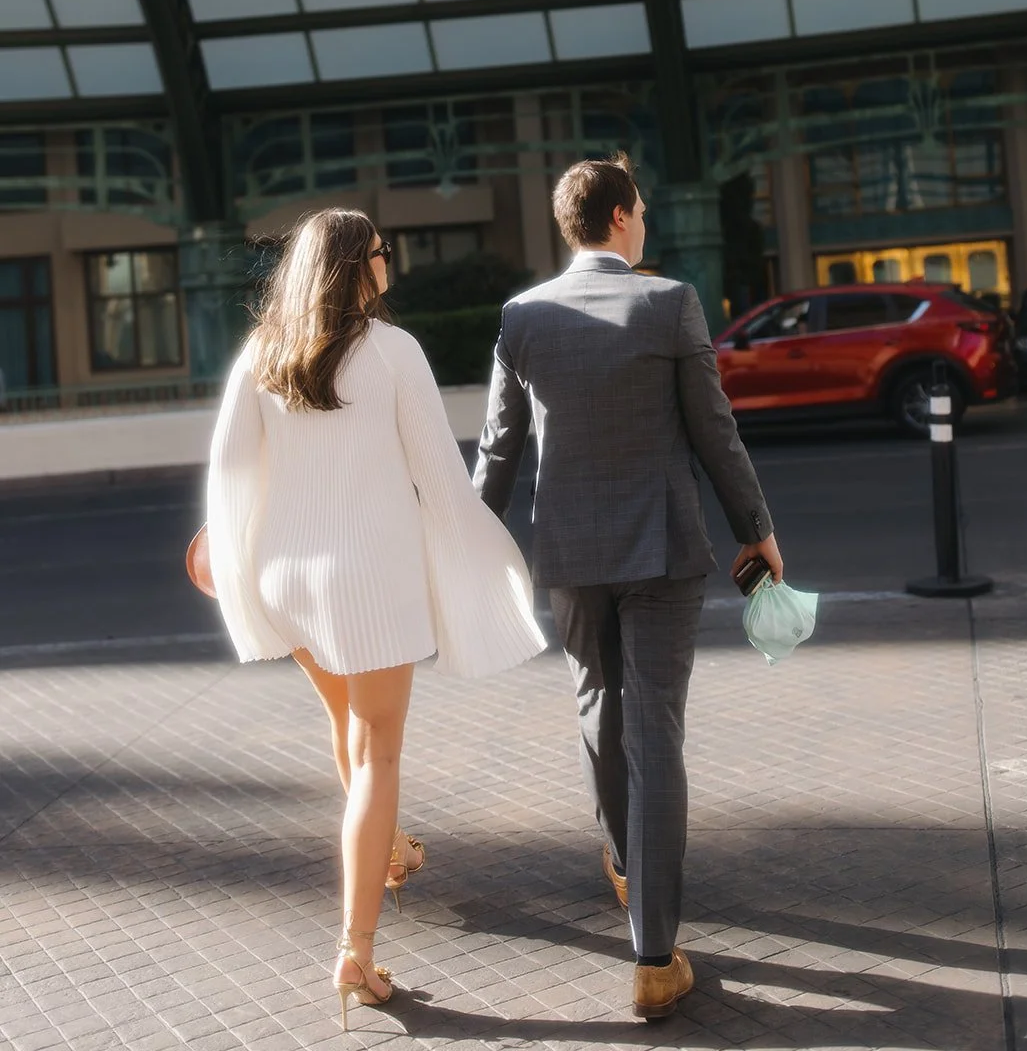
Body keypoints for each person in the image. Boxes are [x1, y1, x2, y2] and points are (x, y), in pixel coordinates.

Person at [206, 207, 545, 1030]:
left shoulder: (265, 352)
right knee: (379, 751)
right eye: (384, 253)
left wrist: (227, 557)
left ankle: (389, 851)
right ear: (360, 266)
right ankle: (356, 950)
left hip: (289, 577)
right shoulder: (394, 352)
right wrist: (494, 559)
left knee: (348, 728)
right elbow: (439, 476)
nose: (391, 264)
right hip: (368, 580)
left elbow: (229, 470)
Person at [474, 155, 783, 1021]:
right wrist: (754, 529)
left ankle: (621, 863)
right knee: (656, 732)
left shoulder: (521, 316)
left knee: (596, 707)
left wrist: (467, 544)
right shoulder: (667, 303)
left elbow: (497, 451)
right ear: (617, 219)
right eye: (639, 208)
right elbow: (713, 432)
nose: (644, 220)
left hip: (568, 555)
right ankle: (652, 955)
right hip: (662, 552)